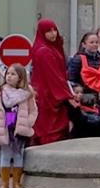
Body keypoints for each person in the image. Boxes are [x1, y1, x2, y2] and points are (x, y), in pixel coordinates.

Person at [0, 63, 38, 188]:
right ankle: (4, 184)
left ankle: (17, 183)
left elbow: (33, 111)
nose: (9, 76)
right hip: (5, 124)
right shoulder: (0, 92)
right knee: (5, 153)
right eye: (8, 73)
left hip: (19, 124)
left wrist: (28, 122)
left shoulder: (26, 93)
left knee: (18, 154)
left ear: (20, 77)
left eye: (13, 74)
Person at [28, 19, 74, 147]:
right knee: (50, 129)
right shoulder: (45, 51)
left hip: (47, 94)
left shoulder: (47, 48)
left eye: (54, 30)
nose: (53, 34)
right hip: (49, 96)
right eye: (49, 31)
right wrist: (67, 95)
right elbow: (54, 76)